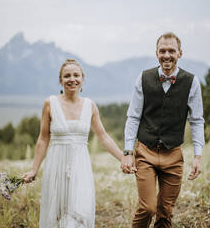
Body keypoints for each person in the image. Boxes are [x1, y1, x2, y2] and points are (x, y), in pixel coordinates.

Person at [23, 59, 123, 228]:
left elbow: (103, 136)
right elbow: (43, 138)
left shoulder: (89, 106)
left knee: (77, 215)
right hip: (55, 167)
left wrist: (123, 157)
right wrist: (34, 169)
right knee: (55, 214)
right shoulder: (50, 103)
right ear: (61, 80)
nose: (72, 79)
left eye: (76, 75)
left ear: (82, 79)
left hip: (80, 168)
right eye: (67, 75)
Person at [121, 32, 205, 227]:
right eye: (162, 51)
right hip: (146, 152)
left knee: (165, 212)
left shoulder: (191, 82)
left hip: (173, 155)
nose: (167, 55)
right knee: (147, 208)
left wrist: (198, 156)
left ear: (180, 53)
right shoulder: (143, 78)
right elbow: (133, 117)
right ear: (156, 53)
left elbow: (196, 120)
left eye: (171, 51)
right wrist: (127, 152)